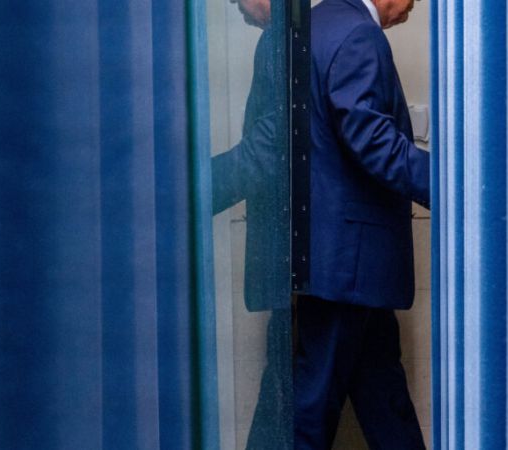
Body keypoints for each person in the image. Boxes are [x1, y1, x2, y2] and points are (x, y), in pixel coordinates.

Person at [296, 0, 429, 448]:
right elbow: (372, 140)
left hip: (339, 260)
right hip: (349, 263)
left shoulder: (312, 25)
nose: (415, 6)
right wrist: (455, 184)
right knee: (311, 412)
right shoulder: (358, 34)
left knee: (384, 400)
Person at [212, 0, 293, 448]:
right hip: (313, 253)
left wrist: (193, 189)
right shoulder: (286, 36)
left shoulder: (281, 40)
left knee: (287, 377)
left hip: (297, 251)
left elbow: (269, 146)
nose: (236, 8)